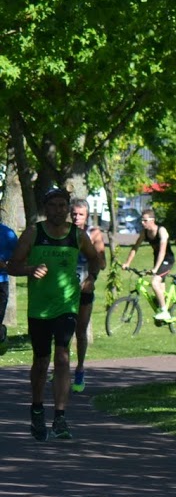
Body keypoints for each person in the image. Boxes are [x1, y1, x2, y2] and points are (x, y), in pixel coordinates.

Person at [7, 186, 105, 440]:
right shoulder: (33, 233)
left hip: (67, 304)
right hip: (39, 308)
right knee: (41, 361)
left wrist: (91, 278)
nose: (58, 210)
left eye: (63, 205)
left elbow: (95, 259)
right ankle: (37, 408)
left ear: (67, 208)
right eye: (53, 205)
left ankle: (60, 417)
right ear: (46, 208)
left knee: (62, 357)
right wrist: (29, 270)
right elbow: (13, 266)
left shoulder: (77, 235)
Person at [68, 199, 106, 393]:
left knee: (80, 330)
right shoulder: (63, 232)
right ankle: (61, 366)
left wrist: (91, 276)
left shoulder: (94, 233)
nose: (77, 217)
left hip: (84, 289)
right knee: (62, 329)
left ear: (87, 215)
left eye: (81, 214)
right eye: (74, 214)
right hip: (64, 290)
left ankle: (80, 369)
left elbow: (102, 262)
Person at [121, 209, 175, 323]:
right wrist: (127, 263)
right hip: (158, 261)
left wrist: (155, 269)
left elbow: (162, 252)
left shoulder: (162, 231)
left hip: (167, 260)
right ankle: (163, 312)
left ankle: (165, 312)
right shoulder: (144, 232)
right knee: (160, 294)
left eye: (145, 220)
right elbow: (135, 247)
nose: (142, 222)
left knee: (154, 283)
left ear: (152, 220)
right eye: (142, 220)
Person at [0, 220, 16, 356]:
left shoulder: (7, 233)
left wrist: (4, 265)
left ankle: (1, 333)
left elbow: (19, 257)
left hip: (1, 282)